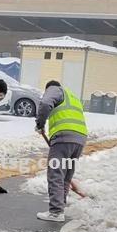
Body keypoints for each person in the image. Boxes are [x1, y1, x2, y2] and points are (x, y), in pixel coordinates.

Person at [35, 80, 88, 223]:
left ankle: (56, 212)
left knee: (55, 173)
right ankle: (60, 207)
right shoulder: (73, 97)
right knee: (66, 175)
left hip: (63, 137)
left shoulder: (54, 89)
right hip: (79, 139)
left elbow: (45, 103)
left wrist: (40, 124)